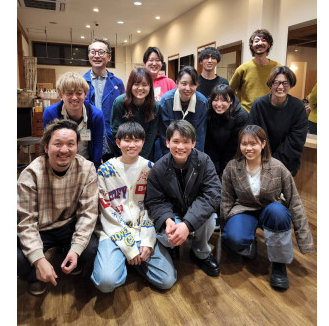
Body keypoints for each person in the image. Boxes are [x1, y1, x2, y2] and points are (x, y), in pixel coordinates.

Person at [220, 125, 314, 290]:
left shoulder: (277, 167)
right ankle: (249, 242)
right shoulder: (232, 167)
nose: (248, 148)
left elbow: (295, 202)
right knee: (234, 237)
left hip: (271, 210)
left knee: (278, 212)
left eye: (253, 143)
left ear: (263, 144)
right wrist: (225, 229)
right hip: (244, 209)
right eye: (244, 144)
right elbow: (226, 199)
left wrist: (304, 240)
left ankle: (279, 264)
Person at [91, 122, 177, 292]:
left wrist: (147, 240)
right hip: (113, 232)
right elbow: (106, 212)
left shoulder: (150, 168)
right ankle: (125, 257)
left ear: (143, 142)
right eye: (127, 140)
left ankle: (134, 261)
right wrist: (128, 248)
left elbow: (151, 206)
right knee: (106, 283)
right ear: (118, 143)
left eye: (137, 140)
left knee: (167, 280)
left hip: (142, 229)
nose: (132, 145)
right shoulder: (104, 171)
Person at [17, 119, 99, 295]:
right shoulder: (30, 174)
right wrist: (38, 259)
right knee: (19, 260)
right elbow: (26, 222)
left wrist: (76, 250)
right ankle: (35, 276)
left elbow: (88, 213)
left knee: (90, 249)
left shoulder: (87, 169)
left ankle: (68, 253)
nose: (64, 150)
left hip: (69, 224)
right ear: (46, 147)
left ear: (77, 147)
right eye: (57, 144)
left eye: (70, 144)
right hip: (40, 227)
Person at [145, 120, 221, 277]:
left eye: (186, 142)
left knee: (210, 219)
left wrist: (187, 224)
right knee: (165, 236)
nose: (180, 147)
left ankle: (200, 252)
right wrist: (167, 219)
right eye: (176, 141)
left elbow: (212, 194)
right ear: (167, 143)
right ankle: (172, 247)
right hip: (173, 214)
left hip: (195, 212)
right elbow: (155, 201)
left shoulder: (204, 161)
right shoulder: (158, 168)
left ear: (193, 143)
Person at [248, 66, 308, 176]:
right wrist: (265, 162)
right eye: (276, 83)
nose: (280, 87)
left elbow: (296, 140)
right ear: (270, 84)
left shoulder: (298, 107)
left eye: (285, 83)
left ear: (291, 85)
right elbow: (253, 135)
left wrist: (274, 163)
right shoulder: (258, 105)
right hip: (260, 164)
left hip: (286, 165)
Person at [42, 71, 104, 168]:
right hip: (59, 165)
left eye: (79, 93)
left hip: (86, 165)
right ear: (60, 94)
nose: (74, 97)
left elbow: (97, 147)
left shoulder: (96, 115)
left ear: (85, 94)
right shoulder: (50, 113)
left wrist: (93, 170)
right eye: (69, 93)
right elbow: (47, 144)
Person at [83, 37, 125, 162]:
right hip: (87, 136)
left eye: (101, 52)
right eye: (93, 52)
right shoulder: (81, 82)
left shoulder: (117, 83)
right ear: (89, 55)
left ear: (109, 57)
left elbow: (123, 112)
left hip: (111, 136)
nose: (96, 56)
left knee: (112, 169)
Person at [110, 67, 160, 160]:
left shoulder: (154, 106)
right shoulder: (120, 102)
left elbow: (151, 135)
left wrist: (140, 158)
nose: (140, 88)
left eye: (144, 84)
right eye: (136, 84)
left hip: (145, 153)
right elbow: (116, 131)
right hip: (123, 152)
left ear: (150, 86)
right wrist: (127, 154)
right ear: (130, 85)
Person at [158, 67, 208, 155]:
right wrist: (171, 159)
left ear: (197, 85)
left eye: (192, 84)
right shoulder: (166, 101)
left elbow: (200, 138)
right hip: (170, 152)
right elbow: (164, 137)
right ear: (177, 83)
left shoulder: (202, 103)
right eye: (184, 84)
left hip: (192, 152)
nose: (188, 88)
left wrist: (194, 159)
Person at [229, 29, 282, 112]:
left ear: (269, 45)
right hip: (247, 114)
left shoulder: (277, 67)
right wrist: (237, 108)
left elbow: (282, 90)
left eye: (264, 40)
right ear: (251, 46)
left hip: (270, 113)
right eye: (256, 41)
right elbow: (229, 90)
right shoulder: (243, 68)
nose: (260, 43)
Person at [204, 84, 248, 178]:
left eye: (224, 100)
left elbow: (234, 146)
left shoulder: (241, 115)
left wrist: (225, 169)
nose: (219, 104)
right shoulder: (207, 110)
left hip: (233, 158)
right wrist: (214, 167)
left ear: (231, 101)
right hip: (211, 158)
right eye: (215, 100)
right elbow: (208, 142)